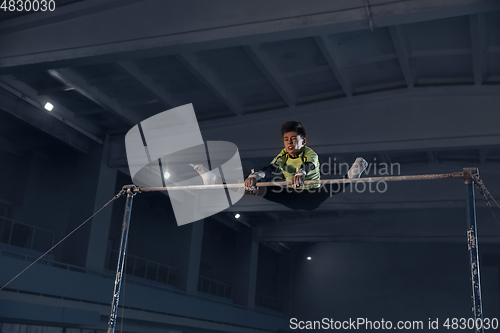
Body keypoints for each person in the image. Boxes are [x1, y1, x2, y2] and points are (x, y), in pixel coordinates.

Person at [242, 121, 368, 210]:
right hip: (292, 196)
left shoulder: (310, 154)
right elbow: (271, 169)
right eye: (286, 139)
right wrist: (256, 176)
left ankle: (351, 176)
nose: (289, 143)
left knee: (328, 188)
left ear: (303, 141)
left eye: (294, 139)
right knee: (264, 189)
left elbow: (308, 166)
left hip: (311, 195)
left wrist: (300, 174)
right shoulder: (283, 155)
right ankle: (249, 188)